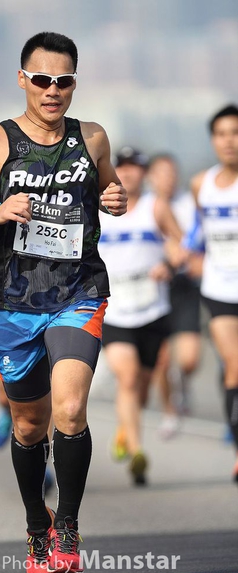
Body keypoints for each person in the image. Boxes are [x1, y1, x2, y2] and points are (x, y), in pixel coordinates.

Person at [0, 31, 127, 573]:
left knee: (69, 409)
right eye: (43, 79)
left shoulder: (92, 137)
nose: (53, 90)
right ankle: (37, 526)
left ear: (74, 83)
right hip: (13, 301)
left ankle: (68, 526)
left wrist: (117, 198)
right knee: (29, 424)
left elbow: (112, 190)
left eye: (64, 81)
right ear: (23, 80)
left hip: (78, 291)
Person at [98, 146, 185, 486]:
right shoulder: (99, 209)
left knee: (142, 388)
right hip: (113, 309)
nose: (129, 173)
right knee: (128, 378)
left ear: (144, 174)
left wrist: (169, 265)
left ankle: (126, 429)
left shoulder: (156, 206)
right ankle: (137, 453)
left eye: (136, 167)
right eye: (123, 167)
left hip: (152, 309)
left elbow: (180, 244)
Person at [190, 104, 238, 484]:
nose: (229, 141)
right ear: (213, 140)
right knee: (235, 365)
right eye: (221, 134)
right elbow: (196, 234)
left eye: (235, 133)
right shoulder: (200, 184)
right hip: (219, 289)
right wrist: (188, 255)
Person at [147, 154, 202, 438]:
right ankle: (170, 410)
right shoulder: (142, 205)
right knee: (162, 359)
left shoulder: (190, 204)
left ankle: (183, 384)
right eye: (162, 173)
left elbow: (195, 242)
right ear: (151, 177)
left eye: (172, 173)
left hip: (184, 286)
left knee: (189, 358)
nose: (168, 179)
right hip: (153, 289)